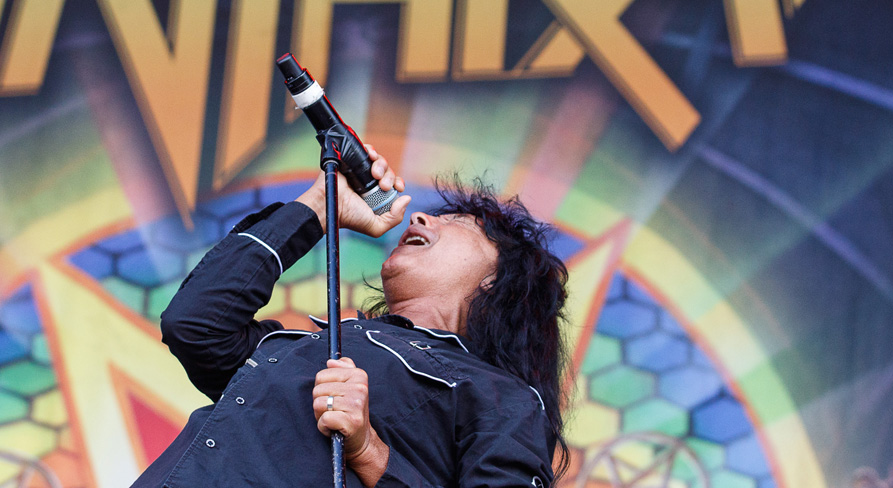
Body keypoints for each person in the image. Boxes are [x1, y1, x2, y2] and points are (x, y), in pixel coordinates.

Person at [131, 146, 570, 487]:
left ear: (498, 279)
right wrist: (322, 205)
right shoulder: (303, 349)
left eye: (459, 221)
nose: (420, 217)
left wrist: (370, 452)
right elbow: (195, 325)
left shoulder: (501, 397)